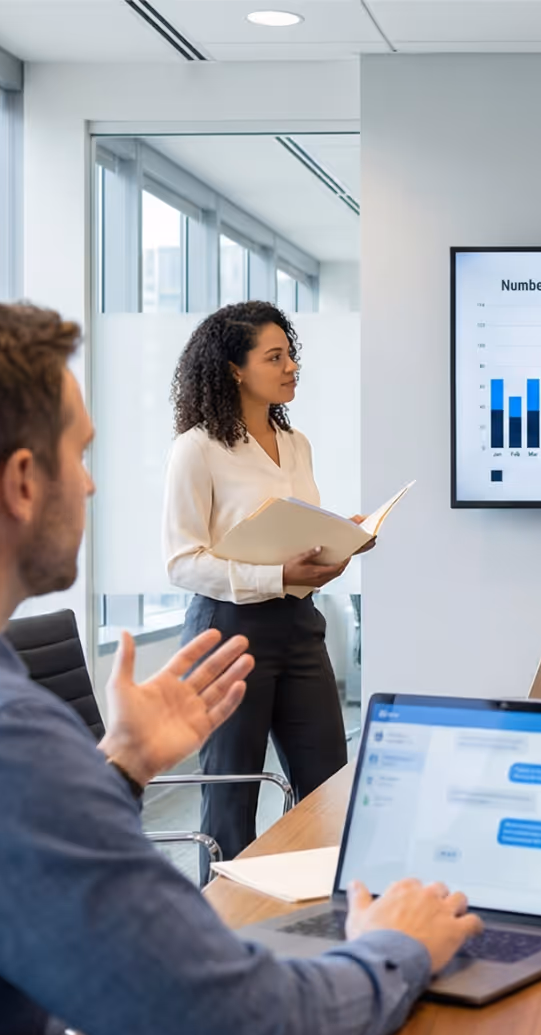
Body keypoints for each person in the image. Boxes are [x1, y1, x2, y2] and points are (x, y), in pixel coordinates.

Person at [0, 298, 483, 1035]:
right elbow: (254, 1031)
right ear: (20, 482)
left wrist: (116, 768)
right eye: (80, 455)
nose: (90, 486)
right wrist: (396, 946)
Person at [164, 301, 367, 871]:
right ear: (234, 369)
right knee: (231, 803)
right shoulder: (197, 449)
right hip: (227, 635)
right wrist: (276, 575)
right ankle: (223, 940)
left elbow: (297, 528)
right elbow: (181, 562)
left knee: (327, 788)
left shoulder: (296, 443)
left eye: (291, 355)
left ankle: (323, 921)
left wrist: (338, 545)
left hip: (299, 626)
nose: (291, 367)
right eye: (274, 357)